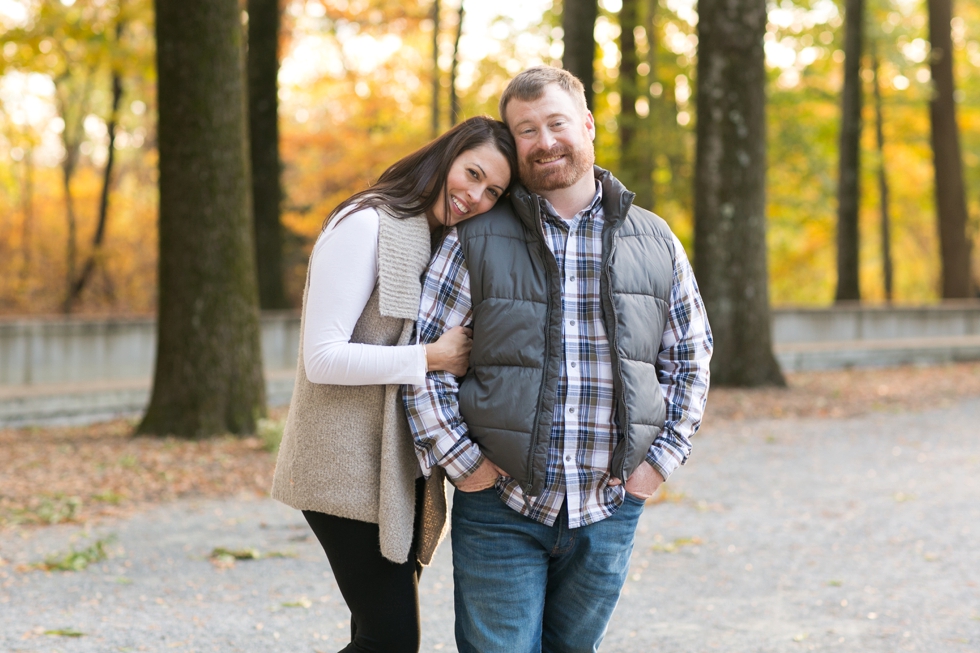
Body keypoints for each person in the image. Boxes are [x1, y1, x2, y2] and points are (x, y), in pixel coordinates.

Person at [404, 66, 713, 652]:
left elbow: (689, 357)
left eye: (556, 123)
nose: (544, 141)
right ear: (512, 143)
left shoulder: (655, 239)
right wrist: (465, 466)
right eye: (526, 130)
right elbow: (425, 359)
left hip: (609, 506)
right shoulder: (474, 238)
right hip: (501, 507)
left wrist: (657, 465)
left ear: (587, 125)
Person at [271, 115, 517, 653]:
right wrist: (432, 356)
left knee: (373, 636)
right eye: (472, 173)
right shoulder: (367, 223)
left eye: (492, 190)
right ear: (448, 155)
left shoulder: (435, 241)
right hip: (341, 466)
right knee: (391, 641)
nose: (475, 196)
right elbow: (323, 358)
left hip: (392, 469)